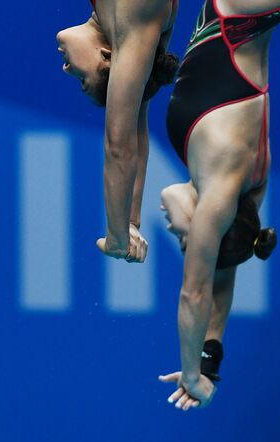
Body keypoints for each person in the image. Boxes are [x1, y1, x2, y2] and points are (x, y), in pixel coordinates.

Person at [158, 0, 280, 411]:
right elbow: (195, 293)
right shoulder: (218, 194)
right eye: (187, 242)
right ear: (209, 225)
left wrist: (210, 360)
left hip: (242, 18)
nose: (176, 234)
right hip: (237, 17)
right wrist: (189, 373)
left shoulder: (247, 192)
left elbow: (220, 281)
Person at [56, 0, 179, 263]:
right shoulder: (134, 17)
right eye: (83, 80)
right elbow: (120, 144)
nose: (66, 70)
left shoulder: (132, 22)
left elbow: (136, 123)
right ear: (106, 56)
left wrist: (130, 221)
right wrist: (117, 235)